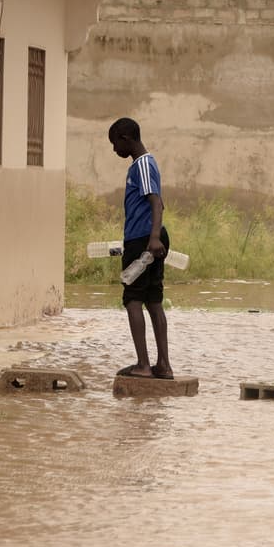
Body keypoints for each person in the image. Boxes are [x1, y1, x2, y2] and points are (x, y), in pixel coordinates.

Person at [109, 117, 173, 380]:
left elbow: (156, 203)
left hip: (144, 240)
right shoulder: (143, 165)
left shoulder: (143, 164)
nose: (114, 149)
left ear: (126, 138)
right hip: (147, 238)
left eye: (115, 143)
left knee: (133, 300)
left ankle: (143, 366)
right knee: (153, 299)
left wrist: (154, 238)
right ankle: (163, 366)